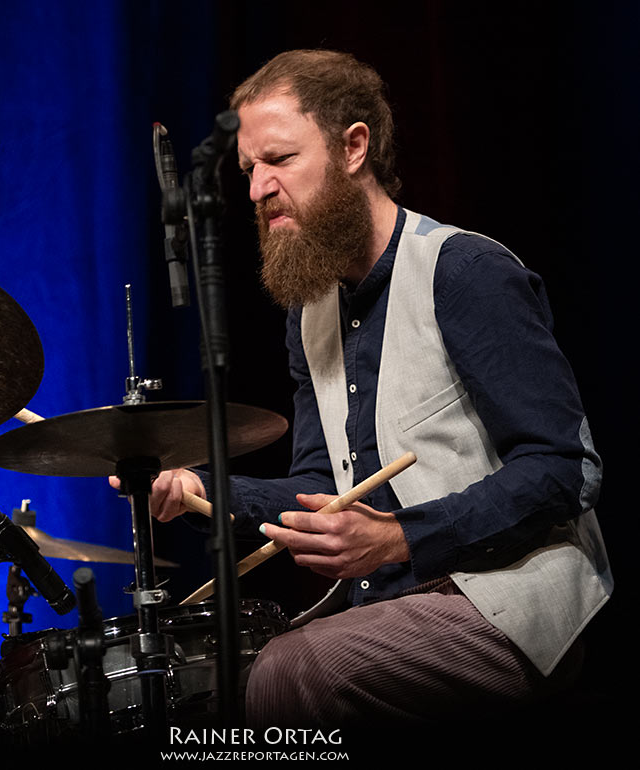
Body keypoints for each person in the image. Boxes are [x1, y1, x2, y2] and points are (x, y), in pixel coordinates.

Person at [116, 49, 613, 728]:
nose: (257, 189)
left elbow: (564, 470)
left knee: (298, 669)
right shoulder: (310, 312)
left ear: (354, 147)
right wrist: (203, 489)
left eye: (279, 160)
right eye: (248, 170)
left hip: (507, 600)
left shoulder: (464, 271)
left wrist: (401, 537)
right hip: (397, 604)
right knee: (216, 684)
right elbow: (320, 485)